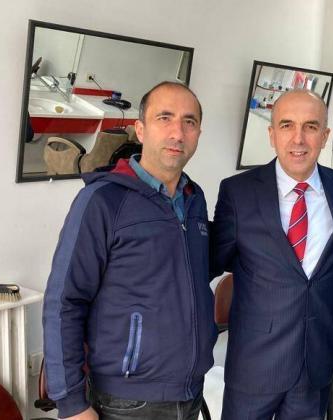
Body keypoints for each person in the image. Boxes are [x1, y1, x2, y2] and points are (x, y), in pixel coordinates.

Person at [42, 82, 217, 420]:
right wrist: (72, 403)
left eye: (189, 121)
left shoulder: (193, 198)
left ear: (198, 133)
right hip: (126, 402)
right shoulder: (102, 201)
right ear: (140, 129)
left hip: (190, 393)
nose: (177, 133)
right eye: (164, 118)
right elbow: (64, 301)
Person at [212, 89, 333, 419]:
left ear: (325, 135)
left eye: (310, 126)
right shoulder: (237, 191)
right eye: (287, 125)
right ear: (271, 134)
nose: (298, 139)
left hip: (315, 362)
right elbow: (217, 259)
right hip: (254, 363)